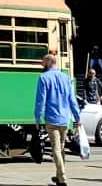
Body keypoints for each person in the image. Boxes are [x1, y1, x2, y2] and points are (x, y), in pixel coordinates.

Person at [34, 53, 82, 186]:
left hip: (52, 118)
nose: (42, 64)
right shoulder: (66, 78)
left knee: (55, 148)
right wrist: (77, 117)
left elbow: (40, 101)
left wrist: (37, 118)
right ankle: (58, 176)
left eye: (43, 62)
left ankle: (62, 177)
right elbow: (72, 100)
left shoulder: (43, 78)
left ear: (49, 62)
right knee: (61, 148)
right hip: (65, 119)